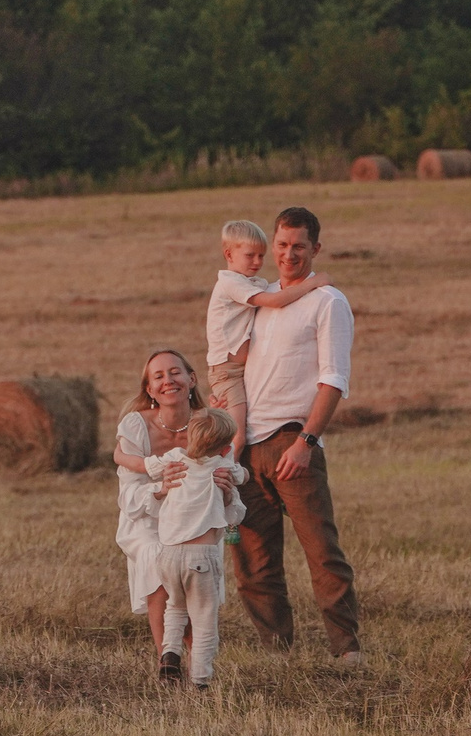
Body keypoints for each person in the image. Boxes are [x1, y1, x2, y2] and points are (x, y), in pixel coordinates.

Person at [231, 205, 362, 664]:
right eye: (282, 245)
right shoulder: (261, 297)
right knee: (253, 564)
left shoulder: (329, 302)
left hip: (292, 441)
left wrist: (307, 442)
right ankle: (277, 653)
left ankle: (346, 652)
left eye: (299, 246)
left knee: (322, 554)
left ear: (315, 249)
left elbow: (334, 380)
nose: (289, 254)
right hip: (246, 447)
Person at [112, 347, 208, 672]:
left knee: (192, 568)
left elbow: (225, 470)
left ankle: (199, 663)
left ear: (191, 379)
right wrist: (161, 488)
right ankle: (167, 660)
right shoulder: (135, 427)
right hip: (144, 518)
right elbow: (128, 500)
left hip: (192, 518)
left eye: (175, 372)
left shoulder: (207, 425)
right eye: (159, 376)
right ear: (150, 390)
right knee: (157, 555)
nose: (169, 380)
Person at [207, 220, 328, 459]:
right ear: (229, 254)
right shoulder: (230, 283)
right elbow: (274, 301)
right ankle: (221, 480)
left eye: (261, 256)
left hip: (240, 372)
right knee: (238, 437)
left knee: (238, 430)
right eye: (250, 255)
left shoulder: (252, 283)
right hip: (227, 372)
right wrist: (312, 283)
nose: (257, 262)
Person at [145, 406, 247, 688]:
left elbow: (150, 467)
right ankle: (200, 681)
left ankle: (168, 657)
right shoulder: (222, 467)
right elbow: (241, 484)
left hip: (168, 554)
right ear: (226, 447)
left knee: (175, 607)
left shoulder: (175, 459)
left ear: (189, 435)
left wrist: (122, 456)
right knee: (204, 621)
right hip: (201, 556)